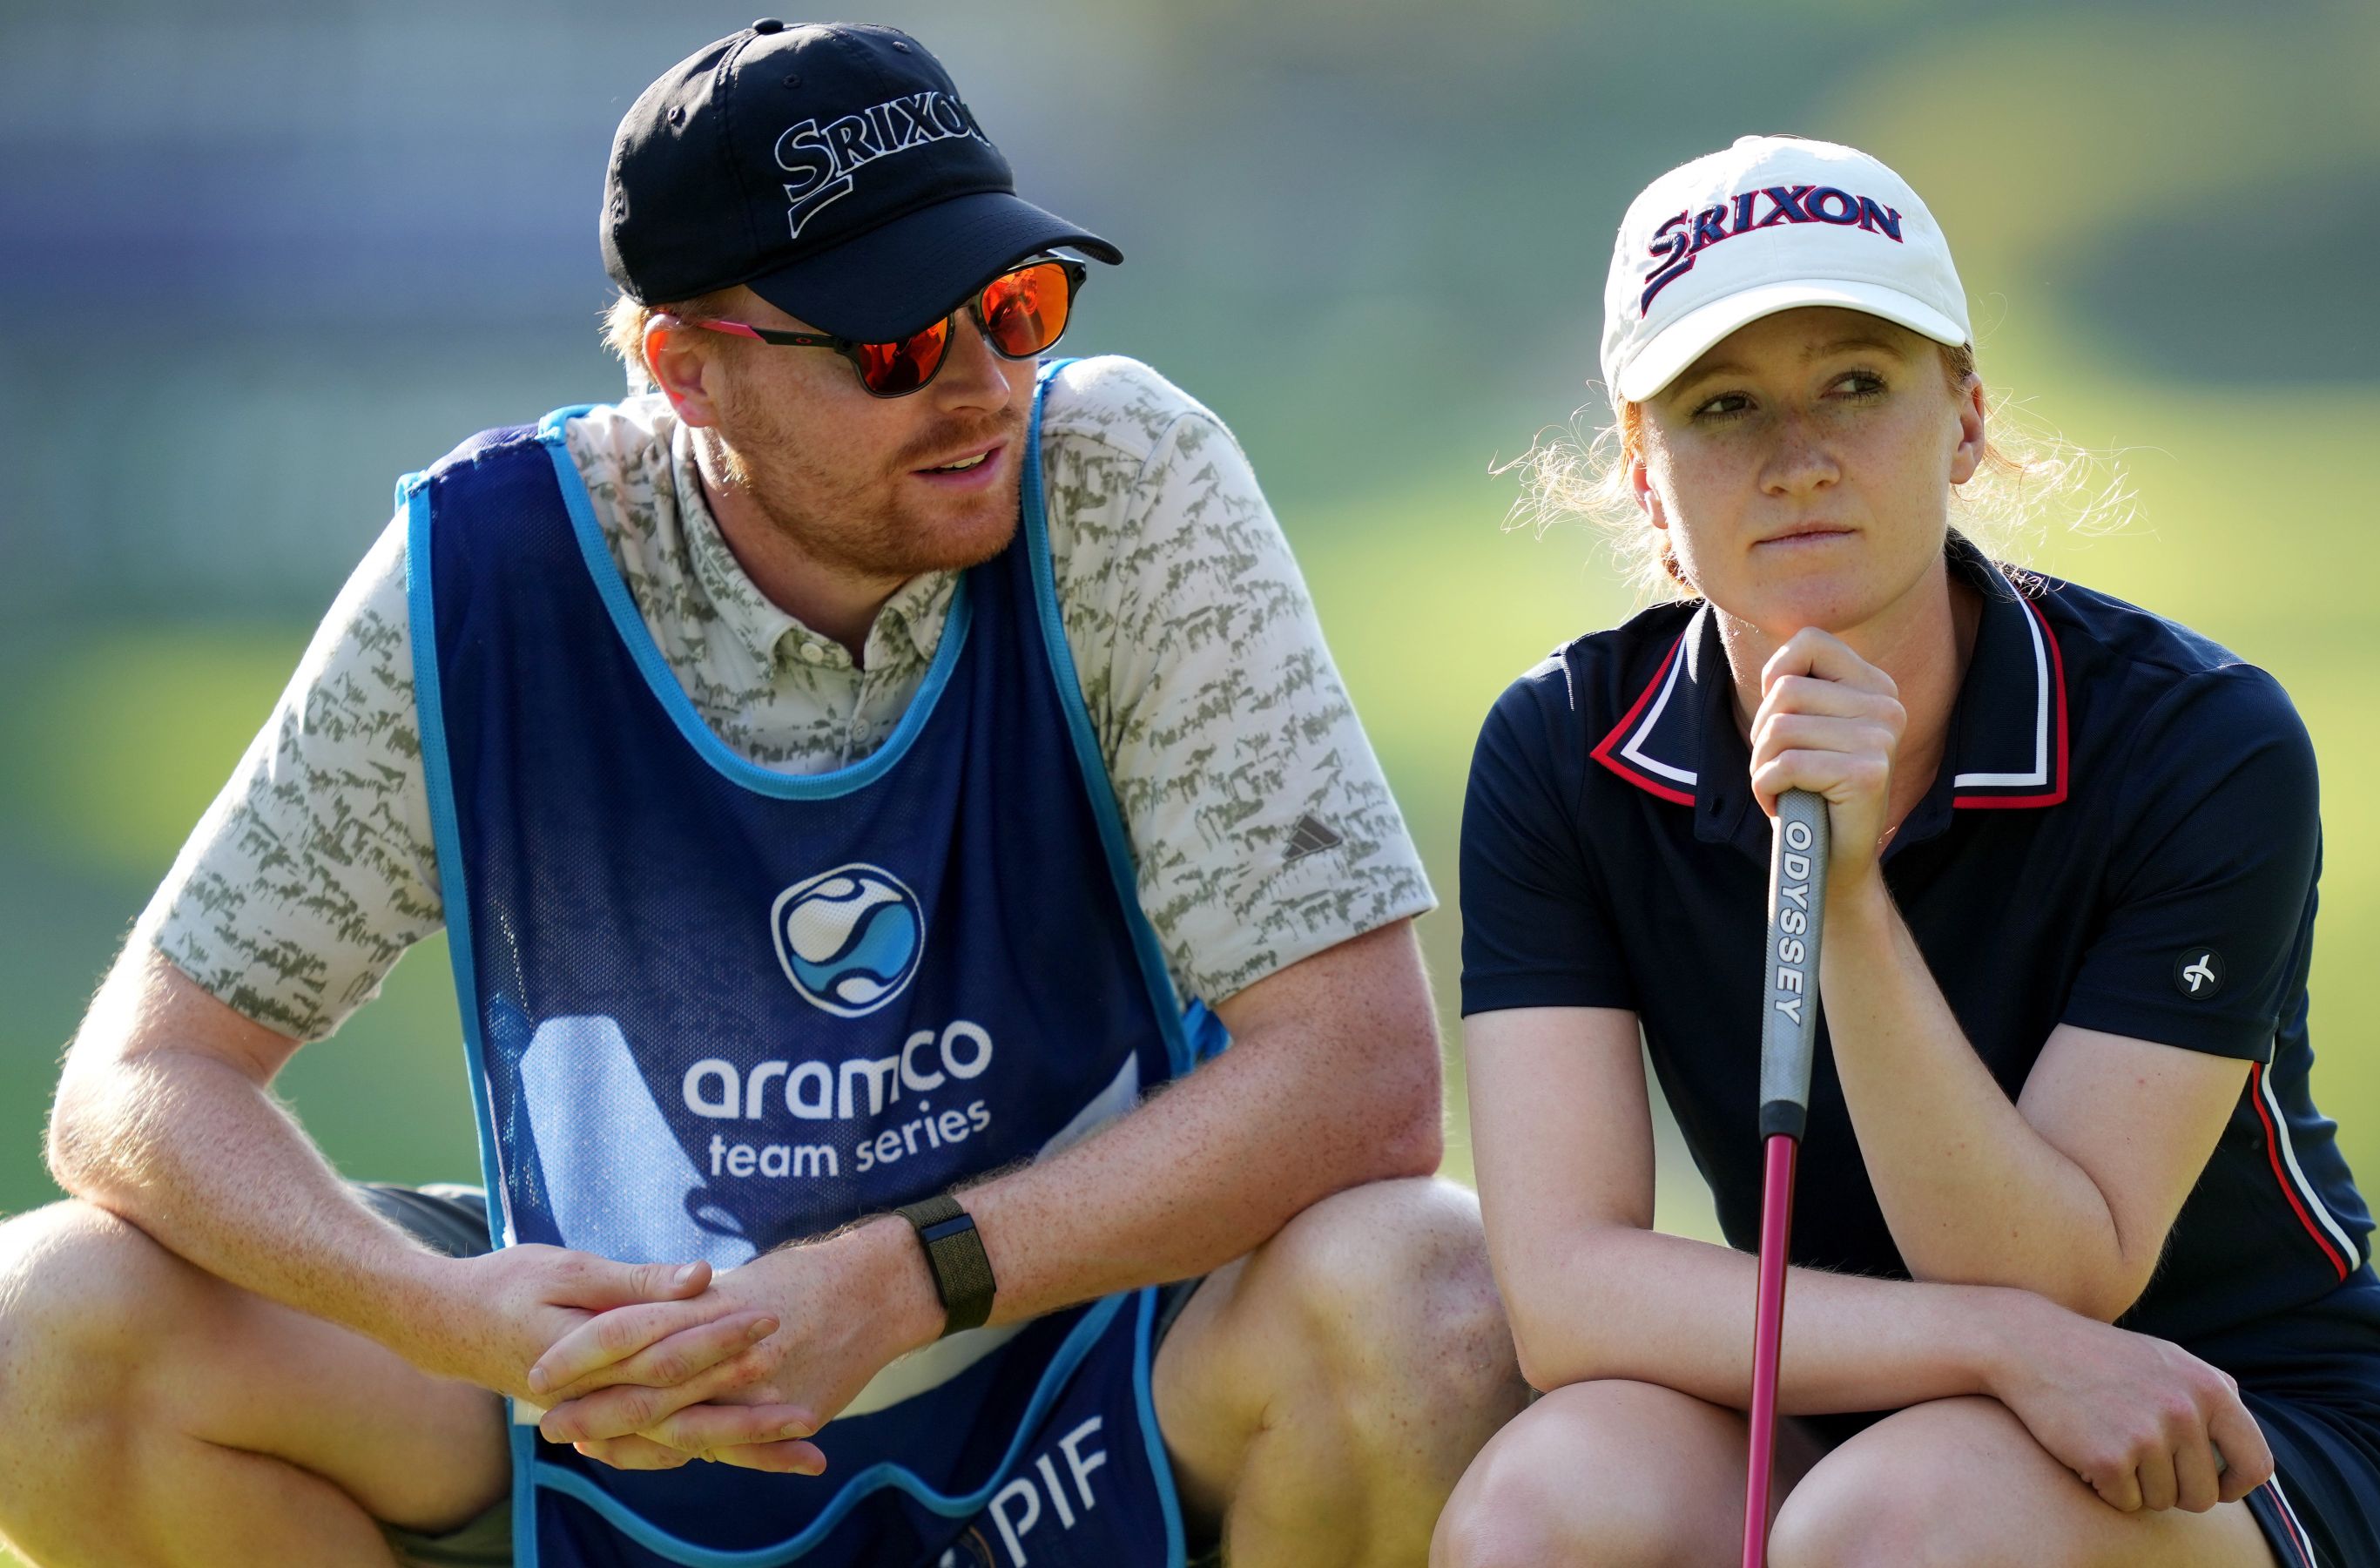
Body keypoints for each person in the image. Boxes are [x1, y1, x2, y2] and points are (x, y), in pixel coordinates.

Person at [0, 21, 1521, 1568]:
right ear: (689, 370)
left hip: (1083, 1351)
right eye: (893, 346)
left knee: (1432, 1305)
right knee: (43, 1327)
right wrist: (444, 1315)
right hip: (626, 1405)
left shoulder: (1122, 478)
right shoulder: (484, 575)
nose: (987, 387)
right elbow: (139, 1085)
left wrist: (901, 1279)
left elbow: (1362, 1075)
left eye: (1015, 306)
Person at [1432, 136, 2380, 1568]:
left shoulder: (2202, 743)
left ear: (1964, 419)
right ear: (1646, 479)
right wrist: (1985, 1346)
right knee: (1544, 1510)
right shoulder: (1563, 748)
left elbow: (2063, 1273)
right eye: (1724, 407)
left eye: (1858, 383)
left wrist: (1846, 895)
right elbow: (1568, 1292)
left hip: (2220, 1414)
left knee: (1891, 1526)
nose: (1798, 459)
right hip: (1863, 1377)